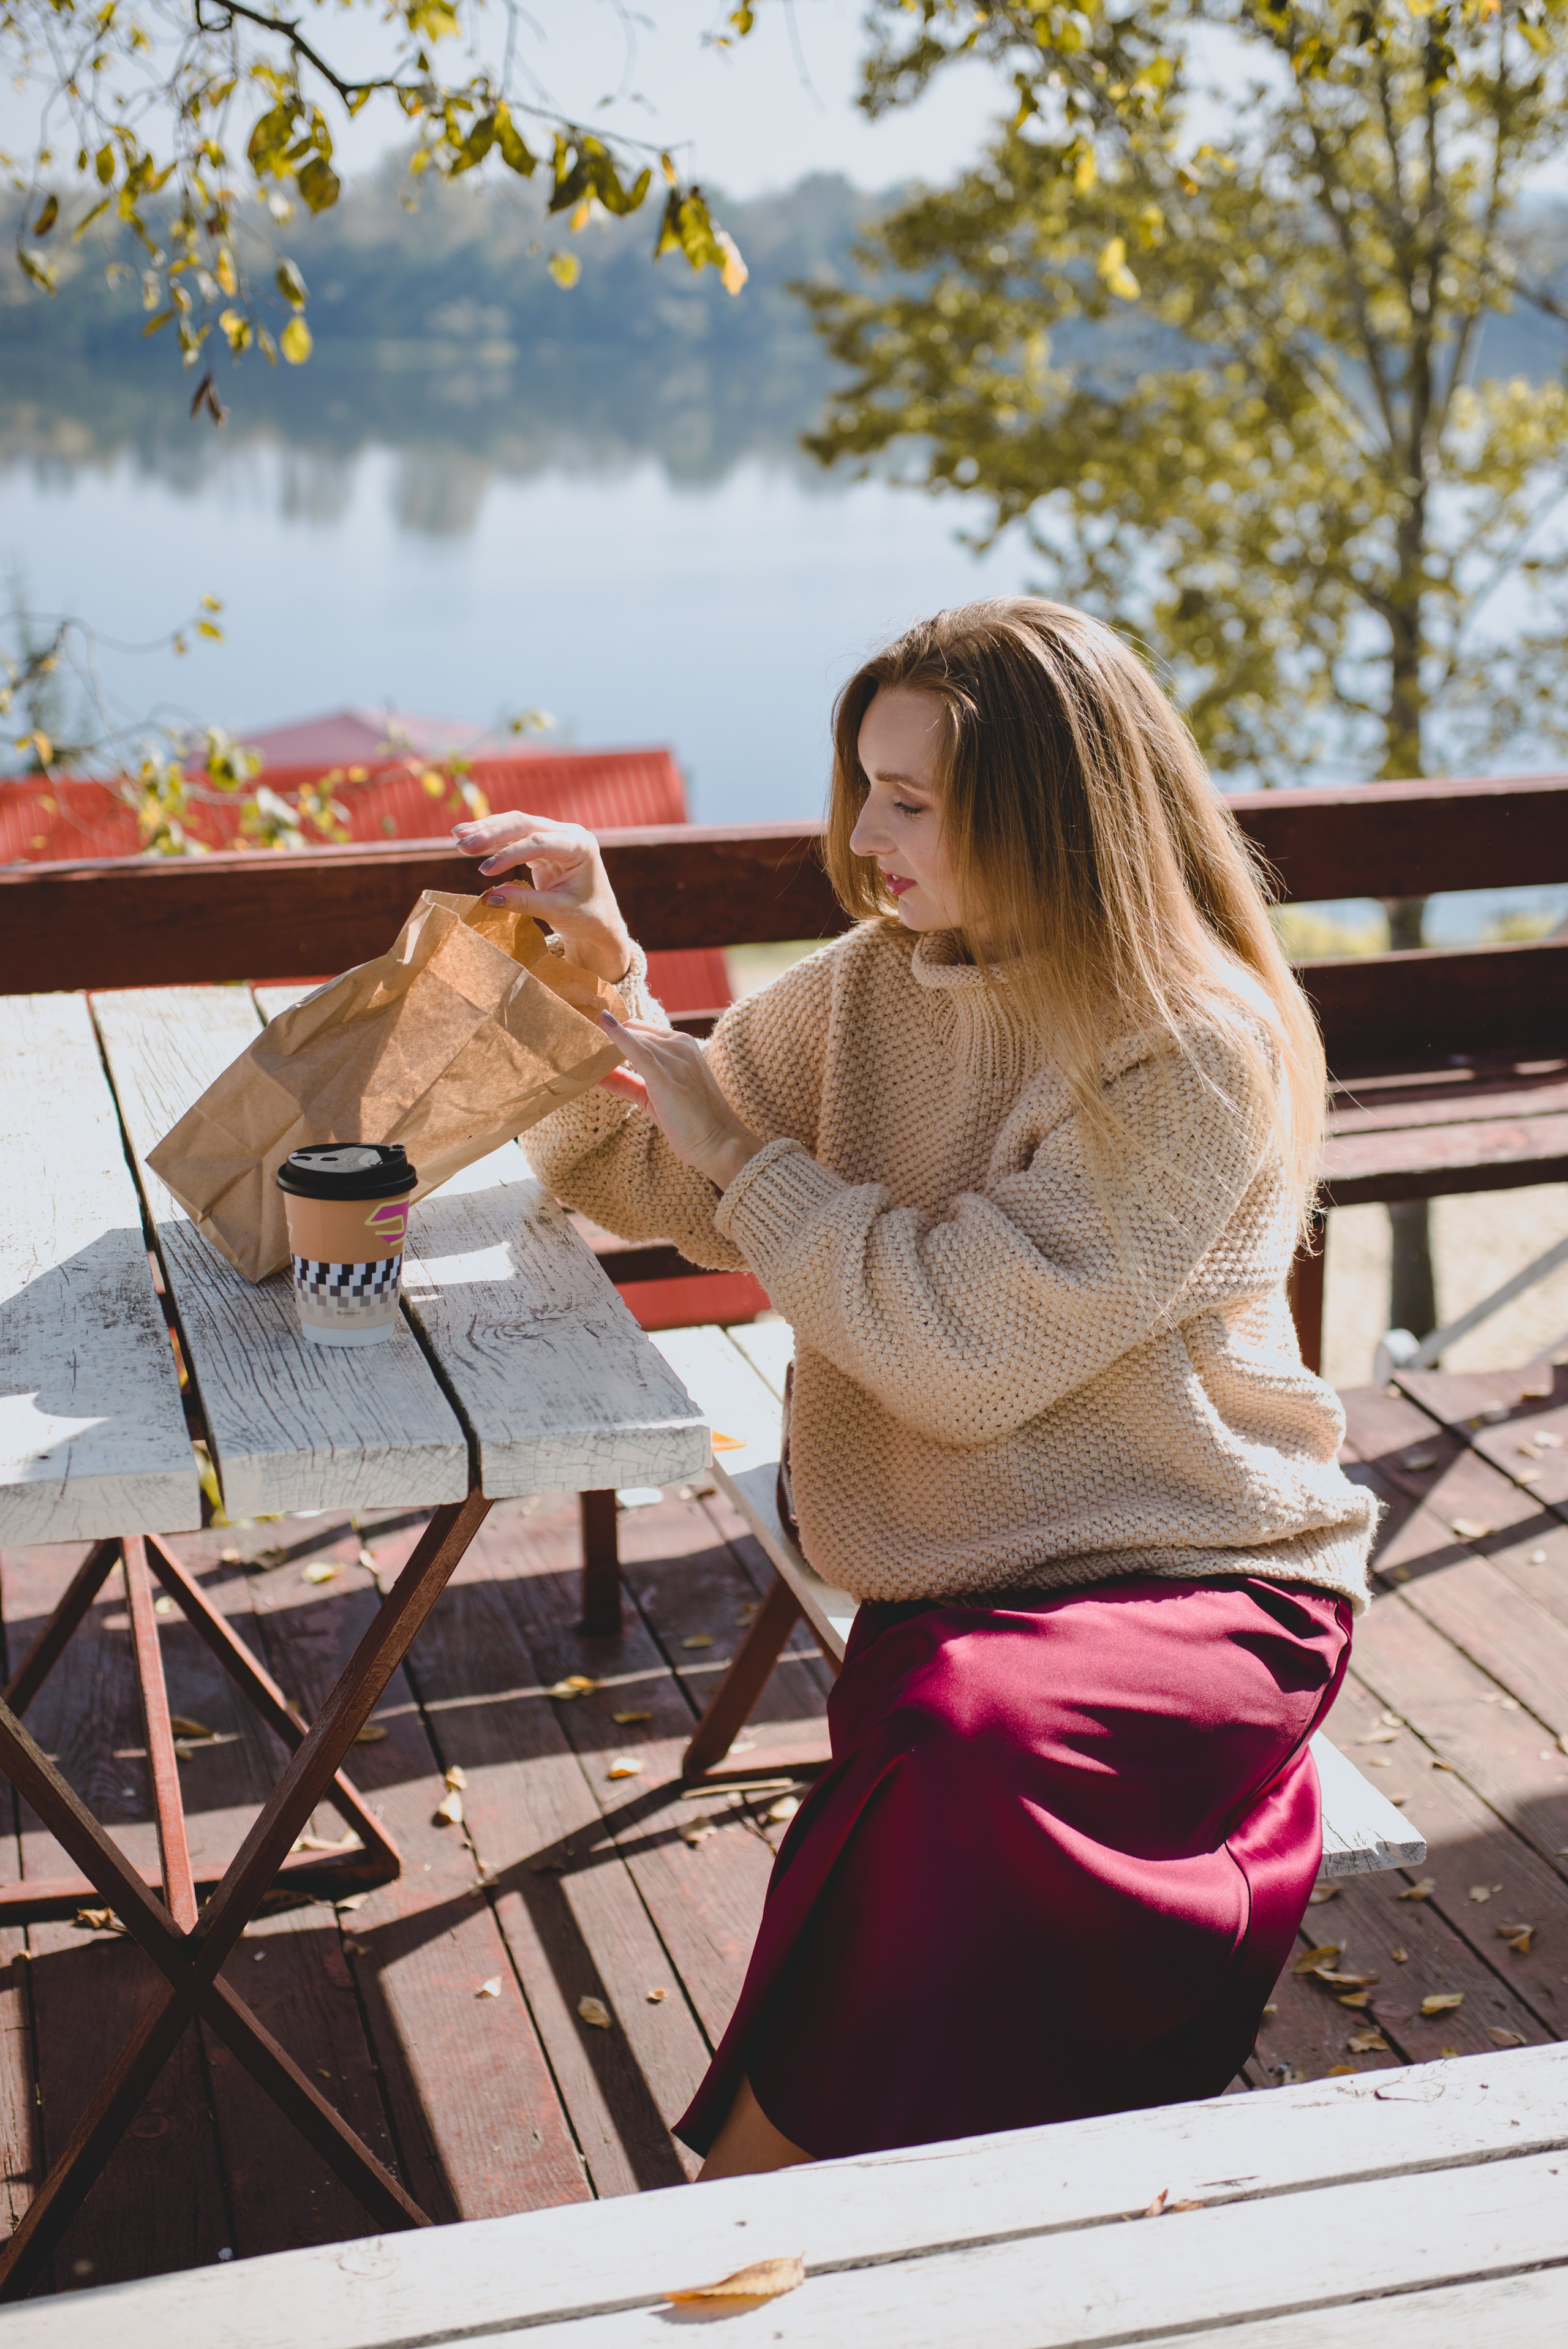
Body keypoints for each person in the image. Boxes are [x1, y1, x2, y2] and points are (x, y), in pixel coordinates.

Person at [452, 597, 1378, 2181]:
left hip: (1202, 1575)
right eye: (864, 784)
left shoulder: (1189, 1046)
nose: (867, 833)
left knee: (953, 1747)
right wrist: (590, 972)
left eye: (913, 800)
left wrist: (752, 1161)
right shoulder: (876, 983)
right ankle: (864, 2207)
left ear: (1052, 808)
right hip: (962, 1574)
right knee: (943, 1748)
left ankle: (760, 2186)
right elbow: (630, 1162)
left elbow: (963, 1356)